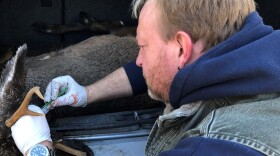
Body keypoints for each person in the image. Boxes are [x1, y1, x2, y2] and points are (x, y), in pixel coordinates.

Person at [12, 0, 280, 155]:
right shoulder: (257, 56)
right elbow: (159, 67)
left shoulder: (216, 147)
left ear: (181, 48)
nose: (138, 60)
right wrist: (86, 93)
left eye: (142, 47)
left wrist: (39, 149)